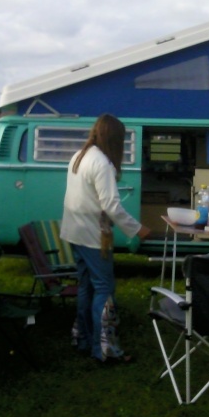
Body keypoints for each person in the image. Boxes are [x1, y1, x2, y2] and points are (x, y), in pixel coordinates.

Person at [60, 114, 151, 365]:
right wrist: (137, 229)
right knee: (104, 289)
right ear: (115, 139)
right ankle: (106, 349)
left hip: (74, 232)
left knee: (86, 286)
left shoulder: (79, 156)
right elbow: (111, 205)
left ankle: (84, 340)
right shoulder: (102, 163)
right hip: (92, 236)